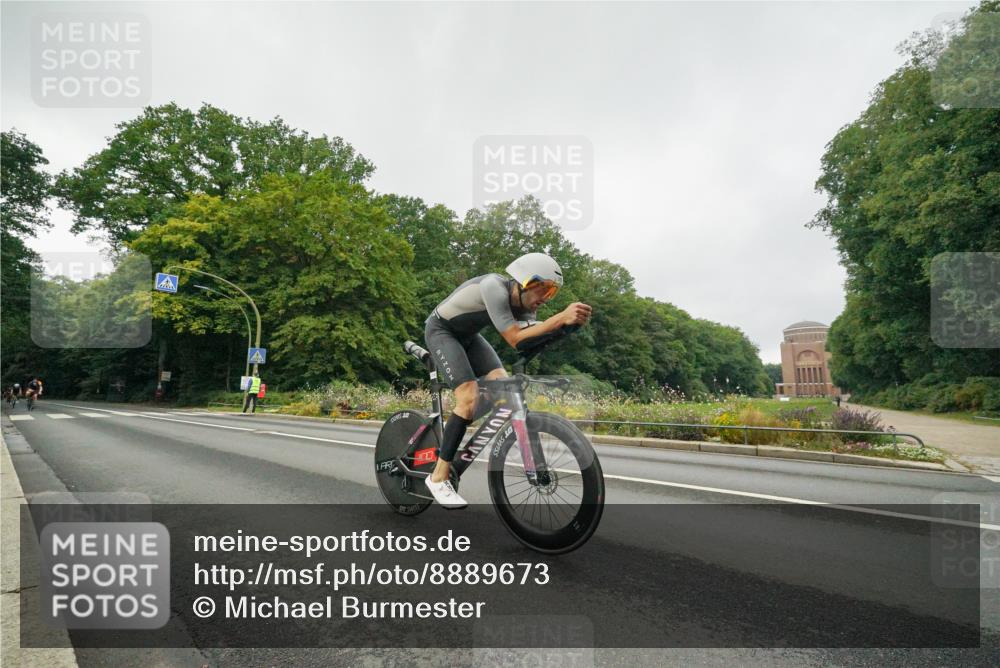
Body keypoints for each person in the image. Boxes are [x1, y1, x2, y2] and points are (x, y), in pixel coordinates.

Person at [423, 252, 592, 509]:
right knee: (468, 396)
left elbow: (529, 341)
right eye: (544, 290)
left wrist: (567, 328)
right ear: (526, 282)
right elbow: (515, 338)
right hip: (441, 331)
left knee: (502, 386)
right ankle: (437, 477)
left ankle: (455, 439)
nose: (546, 298)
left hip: (468, 337)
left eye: (552, 293)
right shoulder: (494, 286)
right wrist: (560, 318)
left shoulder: (525, 308)